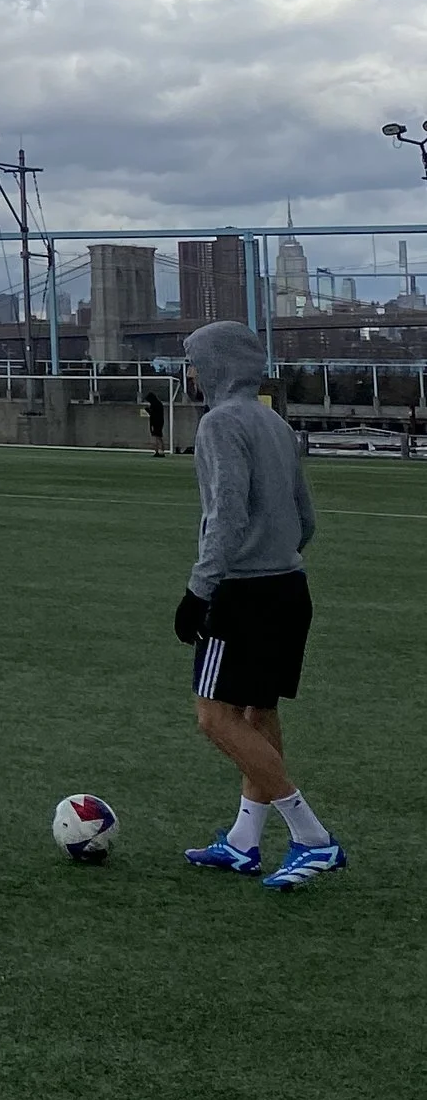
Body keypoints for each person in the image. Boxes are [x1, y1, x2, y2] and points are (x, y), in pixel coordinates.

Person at [174, 318, 343, 885]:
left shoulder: (220, 424)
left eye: (194, 362)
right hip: (290, 588)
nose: (191, 373)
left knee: (215, 718)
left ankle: (313, 838)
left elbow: (226, 514)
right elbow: (307, 518)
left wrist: (199, 590)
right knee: (257, 713)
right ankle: (245, 841)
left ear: (217, 364)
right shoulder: (274, 421)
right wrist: (277, 556)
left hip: (243, 593)